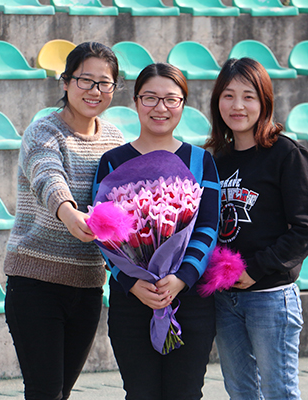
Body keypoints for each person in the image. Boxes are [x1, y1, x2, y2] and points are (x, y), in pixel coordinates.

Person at [3, 42, 124, 400]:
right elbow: (47, 176)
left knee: (61, 393)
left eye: (104, 83)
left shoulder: (115, 140)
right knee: (45, 392)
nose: (94, 91)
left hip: (88, 286)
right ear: (66, 82)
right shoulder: (42, 132)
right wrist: (70, 214)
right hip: (35, 283)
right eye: (85, 80)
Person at [94, 63, 221, 400]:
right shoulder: (112, 161)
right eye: (149, 98)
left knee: (185, 394)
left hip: (189, 300)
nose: (160, 108)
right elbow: (102, 231)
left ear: (183, 105)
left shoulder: (201, 161)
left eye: (171, 99)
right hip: (132, 300)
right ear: (136, 102)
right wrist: (131, 282)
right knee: (140, 394)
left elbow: (208, 226)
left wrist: (181, 278)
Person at [204, 57, 308, 400]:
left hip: (270, 297)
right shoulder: (216, 159)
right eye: (228, 96)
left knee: (278, 392)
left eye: (248, 96)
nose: (237, 106)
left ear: (264, 102)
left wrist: (255, 269)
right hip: (226, 298)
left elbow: (306, 228)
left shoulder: (286, 154)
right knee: (240, 392)